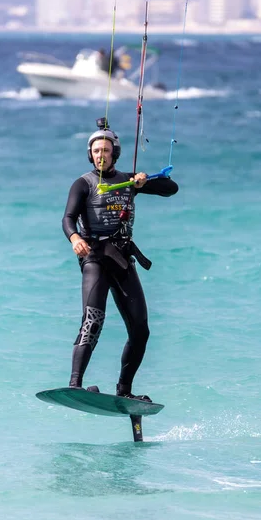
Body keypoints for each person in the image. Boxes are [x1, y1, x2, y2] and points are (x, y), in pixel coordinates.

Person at [62, 118, 179, 400]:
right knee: (93, 320)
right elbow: (67, 218)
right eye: (96, 151)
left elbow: (171, 188)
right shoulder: (84, 184)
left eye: (106, 150)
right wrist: (75, 238)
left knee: (141, 330)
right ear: (90, 154)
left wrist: (145, 179)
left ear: (115, 152)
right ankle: (75, 384)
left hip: (123, 259)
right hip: (95, 258)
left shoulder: (128, 182)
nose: (101, 155)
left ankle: (124, 391)